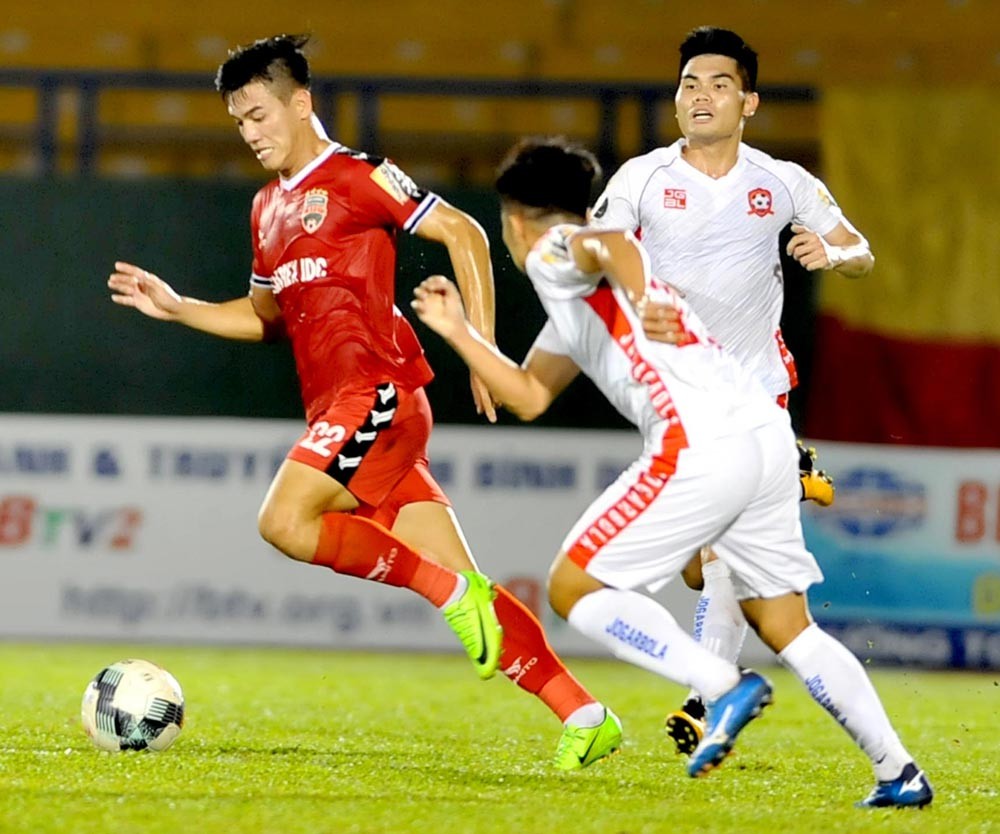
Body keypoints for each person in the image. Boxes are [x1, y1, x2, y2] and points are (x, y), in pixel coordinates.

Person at [106, 34, 620, 770]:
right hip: (347, 416)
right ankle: (586, 714)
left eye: (259, 114)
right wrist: (180, 306)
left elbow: (464, 232)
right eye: (239, 122)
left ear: (301, 101)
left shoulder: (357, 175)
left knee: (285, 521)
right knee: (472, 589)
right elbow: (265, 319)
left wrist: (478, 344)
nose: (250, 134)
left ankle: (446, 593)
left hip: (378, 395)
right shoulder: (265, 210)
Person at [412, 136, 932, 808]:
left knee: (574, 588)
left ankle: (722, 686)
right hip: (764, 435)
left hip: (699, 440)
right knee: (784, 623)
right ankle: (898, 772)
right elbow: (528, 394)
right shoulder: (581, 303)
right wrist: (456, 330)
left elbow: (607, 246)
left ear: (514, 219)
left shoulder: (557, 250)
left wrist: (638, 288)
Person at [589, 26, 873, 754]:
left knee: (723, 562)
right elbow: (596, 254)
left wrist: (832, 253)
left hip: (756, 394)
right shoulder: (642, 178)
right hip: (672, 400)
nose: (701, 96)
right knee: (699, 562)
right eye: (689, 85)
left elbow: (860, 248)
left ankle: (704, 700)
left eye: (718, 84)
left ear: (748, 101)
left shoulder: (780, 182)